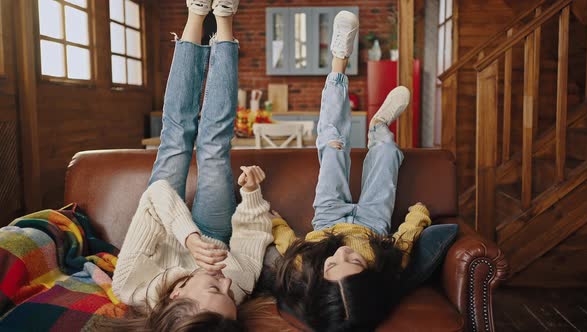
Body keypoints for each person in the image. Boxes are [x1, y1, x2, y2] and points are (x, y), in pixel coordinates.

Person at [109, 1, 274, 330]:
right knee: (213, 146)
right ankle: (224, 19)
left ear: (177, 295)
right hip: (214, 235)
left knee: (174, 138)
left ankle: (197, 13)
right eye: (231, 297)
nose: (228, 285)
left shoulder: (129, 286)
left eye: (216, 288)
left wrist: (187, 237)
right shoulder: (233, 292)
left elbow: (157, 195)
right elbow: (253, 235)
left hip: (170, 230)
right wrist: (252, 195)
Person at [267, 11, 432, 331]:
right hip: (374, 222)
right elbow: (403, 243)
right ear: (370, 276)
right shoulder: (385, 268)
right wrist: (419, 215)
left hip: (328, 218)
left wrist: (272, 219)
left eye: (332, 264)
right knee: (385, 153)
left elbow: (287, 243)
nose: (342, 254)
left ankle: (339, 60)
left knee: (332, 146)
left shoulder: (306, 267)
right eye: (354, 262)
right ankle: (379, 125)